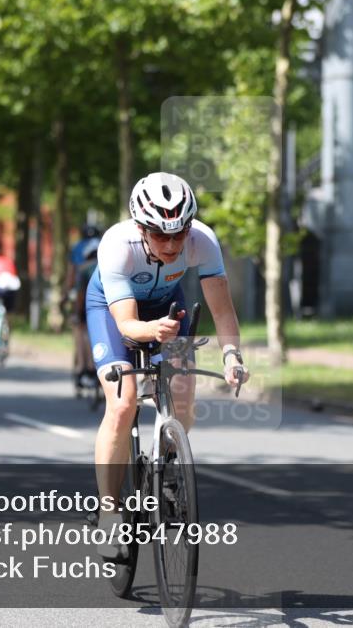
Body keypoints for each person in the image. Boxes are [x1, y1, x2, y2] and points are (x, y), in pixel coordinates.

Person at [85, 172, 249, 554]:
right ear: (141, 228)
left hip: (166, 309)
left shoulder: (203, 241)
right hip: (113, 312)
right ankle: (109, 513)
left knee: (183, 396)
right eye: (161, 235)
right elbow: (126, 323)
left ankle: (168, 458)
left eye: (180, 233)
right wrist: (148, 330)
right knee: (123, 403)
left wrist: (231, 355)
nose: (173, 244)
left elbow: (223, 311)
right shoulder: (117, 245)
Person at [71, 239, 100, 390]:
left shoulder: (83, 268)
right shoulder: (109, 265)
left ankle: (84, 367)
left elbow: (80, 294)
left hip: (91, 306)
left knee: (81, 332)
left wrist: (77, 313)